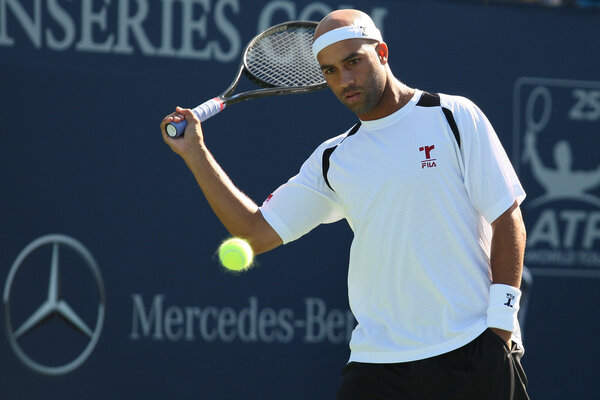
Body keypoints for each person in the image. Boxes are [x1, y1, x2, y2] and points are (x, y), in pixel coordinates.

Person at [160, 9, 530, 400]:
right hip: (377, 366)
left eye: (353, 61)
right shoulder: (333, 159)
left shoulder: (455, 117)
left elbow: (508, 218)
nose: (344, 80)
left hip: (472, 349)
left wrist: (500, 327)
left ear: (382, 52)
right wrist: (195, 152)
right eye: (330, 71)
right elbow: (254, 232)